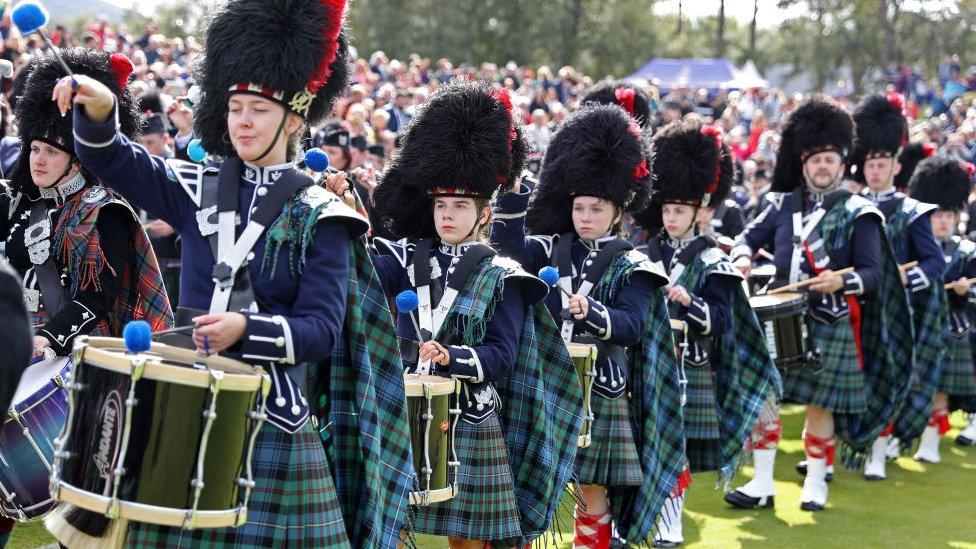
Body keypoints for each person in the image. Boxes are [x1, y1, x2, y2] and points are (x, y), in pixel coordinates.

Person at [51, 0, 414, 545]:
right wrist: (99, 110)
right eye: (235, 106)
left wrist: (248, 330)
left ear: (294, 119)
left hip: (273, 422)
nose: (242, 120)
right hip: (183, 401)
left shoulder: (323, 215)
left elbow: (320, 330)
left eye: (259, 110)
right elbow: (116, 160)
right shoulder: (195, 186)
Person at [340, 83, 580, 549]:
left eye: (460, 206)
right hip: (407, 407)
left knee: (465, 541)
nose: (447, 215)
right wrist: (347, 215)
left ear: (484, 212)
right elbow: (363, 270)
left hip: (471, 417)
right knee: (387, 528)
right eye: (441, 205)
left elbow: (502, 356)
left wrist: (452, 356)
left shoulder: (504, 276)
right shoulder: (408, 256)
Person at [0, 48, 174, 546]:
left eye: (51, 151)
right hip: (14, 353)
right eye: (33, 148)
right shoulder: (15, 206)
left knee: (83, 513)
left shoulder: (106, 212)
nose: (38, 159)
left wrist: (48, 341)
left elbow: (99, 297)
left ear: (78, 157)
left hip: (80, 366)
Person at [493, 104, 685, 548]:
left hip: (601, 387)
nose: (584, 217)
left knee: (591, 489)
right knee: (529, 476)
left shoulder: (635, 265)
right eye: (579, 208)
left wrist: (591, 313)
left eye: (595, 209)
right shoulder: (549, 249)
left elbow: (632, 326)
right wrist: (515, 197)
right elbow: (507, 249)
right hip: (544, 381)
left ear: (617, 212)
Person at [728, 97, 912, 511]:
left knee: (819, 407)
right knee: (763, 400)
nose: (822, 167)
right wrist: (741, 257)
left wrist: (841, 279)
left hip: (830, 320)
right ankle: (761, 482)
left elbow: (872, 274)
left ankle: (815, 481)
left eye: (829, 159)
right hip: (777, 317)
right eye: (815, 160)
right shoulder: (780, 205)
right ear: (804, 164)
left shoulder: (859, 212)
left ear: (842, 163)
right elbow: (745, 239)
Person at [634, 122, 778, 544]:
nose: (671, 217)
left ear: (702, 211)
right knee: (651, 443)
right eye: (667, 209)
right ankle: (649, 518)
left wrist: (688, 303)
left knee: (675, 445)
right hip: (647, 362)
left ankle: (672, 522)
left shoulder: (716, 260)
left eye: (680, 210)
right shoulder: (645, 254)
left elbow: (720, 321)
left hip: (692, 367)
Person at [847, 94, 946, 481]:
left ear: (895, 165)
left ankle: (875, 450)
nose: (875, 170)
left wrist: (906, 277)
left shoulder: (912, 211)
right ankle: (844, 446)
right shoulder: (850, 207)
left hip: (895, 312)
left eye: (882, 163)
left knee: (885, 380)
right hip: (856, 307)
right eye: (870, 163)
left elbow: (935, 262)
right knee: (854, 382)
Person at [908, 155, 976, 460]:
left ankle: (931, 442)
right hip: (913, 320)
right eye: (938, 214)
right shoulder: (911, 246)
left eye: (950, 214)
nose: (945, 220)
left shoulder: (966, 251)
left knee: (937, 387)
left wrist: (966, 289)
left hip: (951, 325)